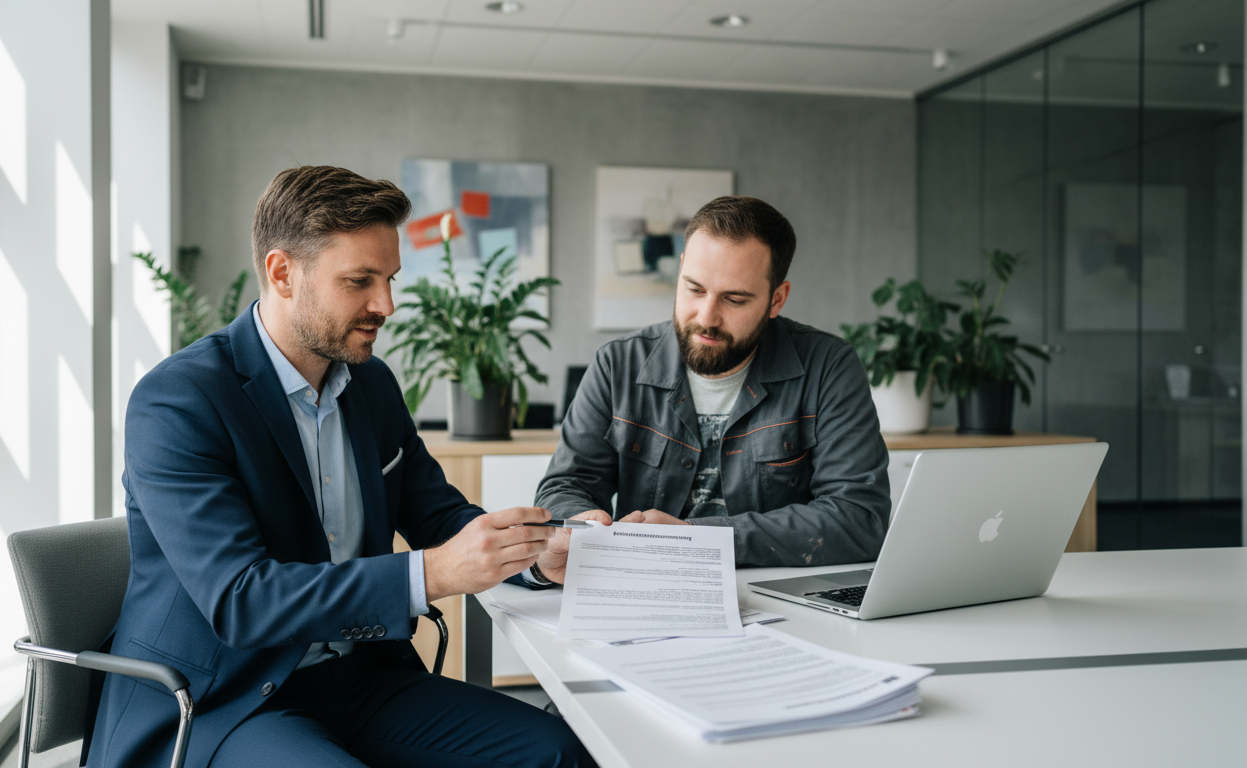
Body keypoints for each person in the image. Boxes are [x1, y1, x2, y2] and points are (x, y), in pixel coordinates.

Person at [86, 166, 595, 768]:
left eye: (390, 279)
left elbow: (438, 513)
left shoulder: (371, 385)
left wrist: (532, 554)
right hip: (227, 699)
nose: (387, 304)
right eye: (360, 281)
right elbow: (242, 601)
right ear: (282, 273)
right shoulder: (179, 400)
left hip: (358, 677)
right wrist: (430, 574)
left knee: (559, 751)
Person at [531, 196, 890, 576]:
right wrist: (580, 523)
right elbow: (565, 485)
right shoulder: (616, 365)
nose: (707, 317)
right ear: (681, 269)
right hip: (640, 586)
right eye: (694, 289)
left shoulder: (828, 367)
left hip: (776, 599)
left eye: (735, 299)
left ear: (776, 299)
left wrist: (695, 539)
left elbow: (860, 519)